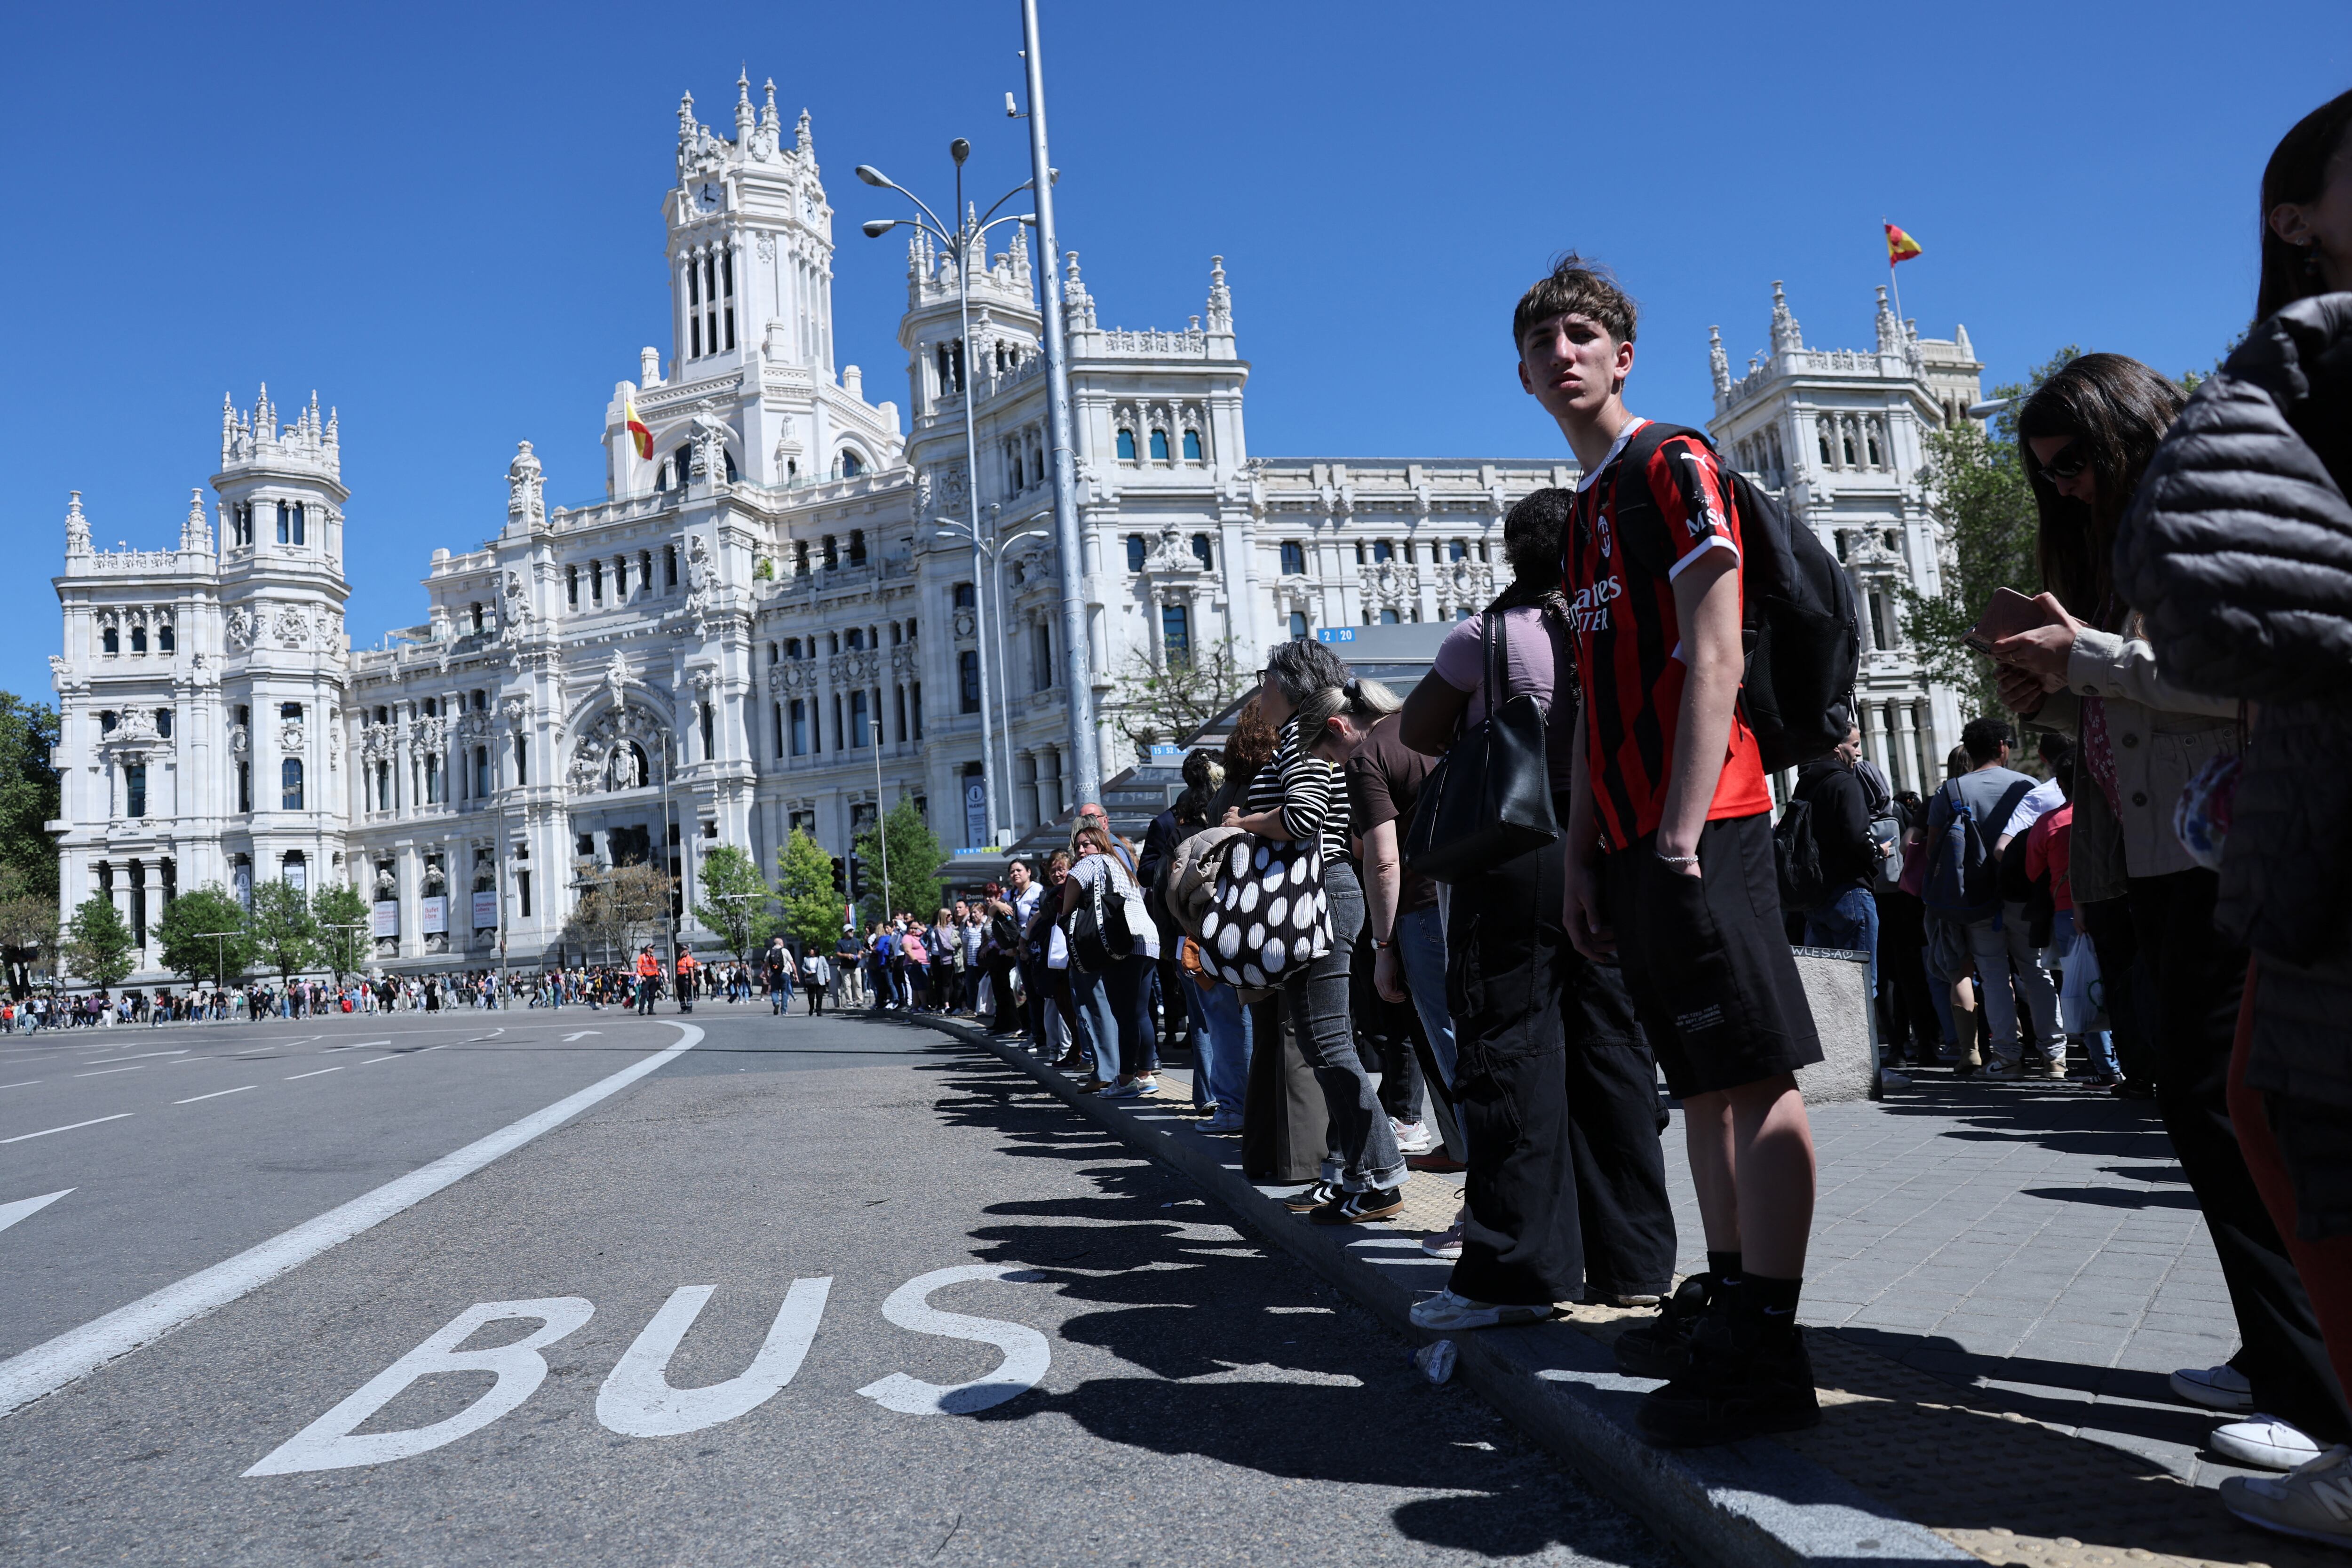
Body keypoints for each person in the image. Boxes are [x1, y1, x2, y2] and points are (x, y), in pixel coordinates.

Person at [1995, 351, 2345, 1476]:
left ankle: (2316, 1389)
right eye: (2045, 474)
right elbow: (2140, 713)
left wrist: (2088, 659)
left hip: (2241, 851)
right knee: (2205, 1107)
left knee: (2233, 1108)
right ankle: (2276, 1349)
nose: (2064, 490)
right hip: (2163, 857)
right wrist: (2055, 696)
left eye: (2076, 463)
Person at [1523, 254, 1823, 1446]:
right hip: (1638, 830)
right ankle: (1727, 1290)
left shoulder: (1672, 462)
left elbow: (1717, 651)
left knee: (1757, 1076)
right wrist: (1586, 853)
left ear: (1620, 353)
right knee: (1698, 1084)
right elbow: (1595, 695)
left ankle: (1771, 1333)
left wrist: (1684, 828)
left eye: (1581, 333)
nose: (1562, 354)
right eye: (1541, 341)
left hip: (1713, 819)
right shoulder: (1593, 507)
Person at [2111, 89, 2352, 1542]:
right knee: (2270, 1105)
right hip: (2293, 814)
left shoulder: (2294, 372)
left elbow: (2200, 588)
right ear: (2295, 215)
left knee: (2275, 1102)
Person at [1398, 484, 1677, 1328]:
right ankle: (1632, 1262)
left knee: (1509, 1047)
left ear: (1513, 553)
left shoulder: (1485, 636)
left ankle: (1516, 1270)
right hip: (1613, 843)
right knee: (1612, 1048)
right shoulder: (1613, 623)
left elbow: (1417, 729)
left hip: (1517, 849)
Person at [1225, 640, 1406, 1223]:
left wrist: (1242, 822)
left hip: (1317, 896)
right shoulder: (1303, 743)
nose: (1260, 690)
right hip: (1318, 896)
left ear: (1292, 685)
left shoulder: (1302, 749)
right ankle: (1349, 1174)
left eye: (1267, 679)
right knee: (1320, 1043)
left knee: (1327, 1043)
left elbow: (1302, 818)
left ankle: (1379, 1174)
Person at [1922, 718, 2056, 1079]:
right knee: (2036, 971)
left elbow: (1934, 851)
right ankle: (2054, 1055)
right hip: (2025, 895)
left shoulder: (1950, 791)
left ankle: (2008, 1057)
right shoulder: (2030, 786)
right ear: (2002, 747)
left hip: (1976, 899)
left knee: (1994, 976)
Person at [1790, 719, 1884, 1008]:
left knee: (1826, 988)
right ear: (1835, 747)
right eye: (1854, 745)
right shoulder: (1845, 782)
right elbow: (1858, 835)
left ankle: (1837, 1052)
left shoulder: (1804, 787)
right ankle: (1861, 1052)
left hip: (1816, 897)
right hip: (1850, 893)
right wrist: (1877, 853)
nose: (1858, 753)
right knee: (1859, 984)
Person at [1059, 819, 1157, 1095]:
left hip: (1121, 943)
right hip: (1147, 940)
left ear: (1100, 843)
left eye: (1086, 843)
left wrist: (1065, 913)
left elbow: (1074, 881)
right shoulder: (1121, 865)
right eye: (1078, 846)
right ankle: (1146, 1074)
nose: (1081, 850)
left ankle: (1125, 1081)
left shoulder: (1093, 862)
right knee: (1140, 1013)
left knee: (1123, 1015)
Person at [634, 944, 659, 1016]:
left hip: (653, 978)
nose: (653, 949)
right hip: (646, 978)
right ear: (648, 949)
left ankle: (651, 1009)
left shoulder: (653, 958)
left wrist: (657, 976)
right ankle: (641, 1010)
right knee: (644, 994)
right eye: (652, 948)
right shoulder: (642, 957)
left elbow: (655, 967)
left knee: (652, 995)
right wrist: (642, 976)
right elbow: (639, 967)